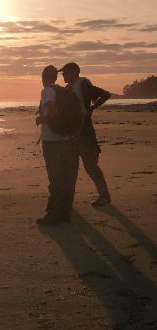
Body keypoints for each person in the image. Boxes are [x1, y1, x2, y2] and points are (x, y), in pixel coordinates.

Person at [59, 62, 111, 206]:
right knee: (71, 168)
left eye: (66, 72)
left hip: (85, 132)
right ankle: (68, 200)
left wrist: (92, 108)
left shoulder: (83, 84)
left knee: (91, 167)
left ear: (75, 72)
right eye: (63, 73)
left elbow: (105, 94)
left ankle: (104, 196)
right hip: (71, 134)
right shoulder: (68, 88)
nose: (63, 75)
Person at [36, 65, 79, 226]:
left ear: (43, 77)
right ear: (55, 77)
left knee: (55, 179)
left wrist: (42, 119)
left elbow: (52, 111)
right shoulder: (64, 91)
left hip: (52, 140)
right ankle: (65, 213)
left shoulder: (47, 90)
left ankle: (53, 215)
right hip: (66, 139)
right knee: (66, 178)